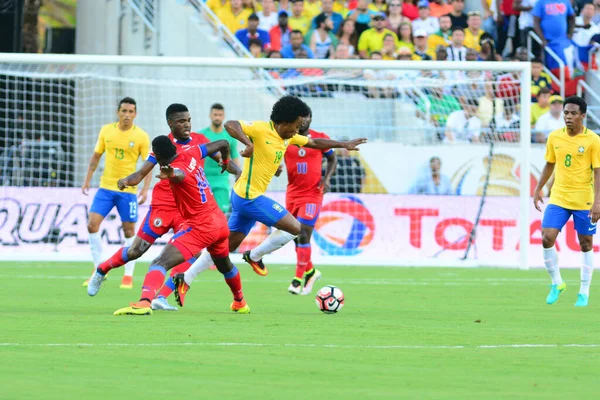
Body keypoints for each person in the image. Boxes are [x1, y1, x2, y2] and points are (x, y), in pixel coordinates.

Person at [178, 96, 366, 294]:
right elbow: (230, 124)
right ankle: (255, 256)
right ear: (282, 122)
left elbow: (313, 142)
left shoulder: (288, 136)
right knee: (294, 227)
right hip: (248, 197)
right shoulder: (260, 129)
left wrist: (343, 144)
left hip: (244, 196)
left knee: (225, 247)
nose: (296, 131)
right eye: (295, 126)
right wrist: (247, 143)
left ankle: (186, 278)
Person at [87, 103, 240, 311]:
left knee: (190, 255)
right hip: (163, 206)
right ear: (170, 123)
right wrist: (126, 181)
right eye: (181, 121)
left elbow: (222, 158)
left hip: (187, 211)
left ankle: (160, 297)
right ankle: (102, 269)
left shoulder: (198, 142)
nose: (186, 125)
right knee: (136, 251)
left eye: (188, 120)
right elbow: (141, 173)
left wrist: (239, 172)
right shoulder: (163, 146)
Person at [533, 96, 600, 307]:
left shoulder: (593, 140)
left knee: (585, 244)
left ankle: (584, 291)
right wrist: (538, 189)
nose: (568, 117)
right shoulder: (554, 137)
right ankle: (557, 283)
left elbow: (598, 173)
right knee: (546, 237)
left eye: (573, 113)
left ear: (582, 116)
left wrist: (598, 202)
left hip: (584, 200)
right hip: (559, 197)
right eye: (566, 113)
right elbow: (549, 164)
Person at [81, 97, 150, 289]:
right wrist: (87, 179)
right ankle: (97, 271)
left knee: (129, 231)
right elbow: (96, 156)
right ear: (118, 112)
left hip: (128, 192)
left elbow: (148, 165)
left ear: (135, 114)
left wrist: (145, 189)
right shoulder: (106, 130)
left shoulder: (141, 136)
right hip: (106, 188)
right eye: (124, 111)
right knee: (91, 225)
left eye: (130, 112)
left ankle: (128, 275)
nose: (127, 115)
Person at [283, 113, 337, 294]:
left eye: (308, 117)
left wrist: (327, 178)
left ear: (312, 119)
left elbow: (332, 158)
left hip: (313, 193)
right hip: (292, 193)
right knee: (294, 235)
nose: (305, 121)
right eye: (301, 117)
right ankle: (311, 272)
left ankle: (297, 279)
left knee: (304, 232)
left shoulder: (320, 138)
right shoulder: (286, 137)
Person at [199, 103, 241, 215]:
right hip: (202, 181)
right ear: (210, 115)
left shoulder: (229, 136)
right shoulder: (201, 135)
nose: (217, 117)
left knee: (220, 214)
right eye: (215, 114)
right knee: (203, 214)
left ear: (224, 116)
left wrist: (239, 175)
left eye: (220, 115)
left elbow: (235, 157)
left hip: (222, 181)